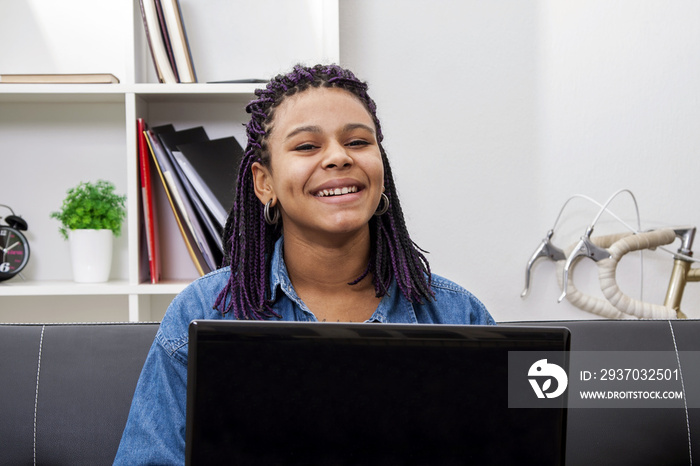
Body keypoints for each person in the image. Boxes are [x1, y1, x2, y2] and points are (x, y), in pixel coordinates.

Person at [114, 64, 494, 464]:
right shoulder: (202, 311)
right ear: (265, 183)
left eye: (358, 141)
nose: (338, 157)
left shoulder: (459, 315)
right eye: (307, 146)